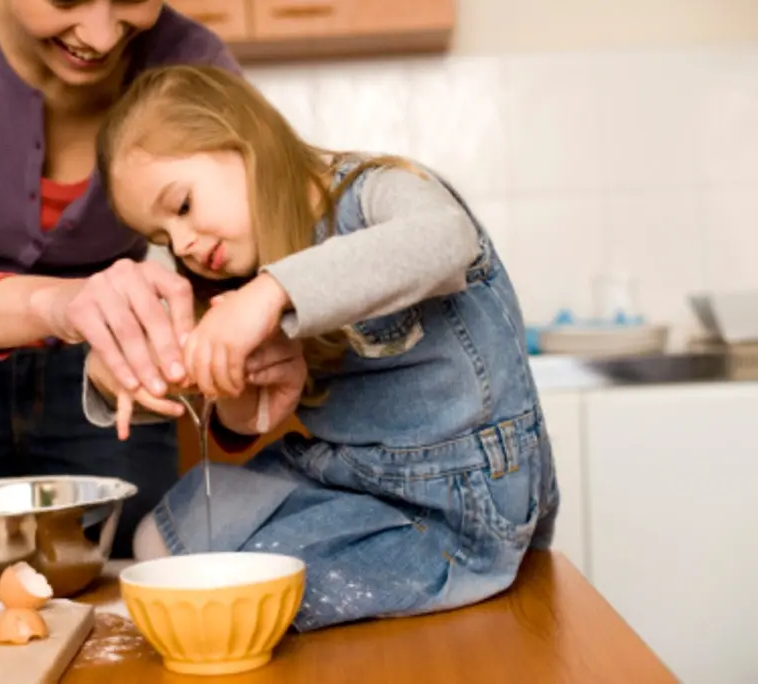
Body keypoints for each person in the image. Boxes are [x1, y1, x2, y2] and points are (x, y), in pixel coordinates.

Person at [82, 65, 562, 631]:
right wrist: (125, 371)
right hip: (346, 475)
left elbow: (445, 239)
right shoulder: (237, 270)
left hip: (459, 506)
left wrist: (273, 293)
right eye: (162, 238)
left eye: (182, 205)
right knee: (158, 540)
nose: (182, 244)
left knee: (229, 594)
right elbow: (231, 412)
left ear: (244, 140)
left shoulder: (377, 191)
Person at [0, 0, 241, 565]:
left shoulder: (191, 61)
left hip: (110, 379)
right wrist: (62, 303)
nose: (102, 37)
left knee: (128, 610)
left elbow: (237, 275)